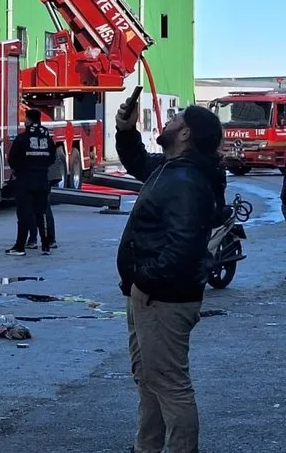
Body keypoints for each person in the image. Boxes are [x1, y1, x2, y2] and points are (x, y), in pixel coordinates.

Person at [115, 101, 225, 453]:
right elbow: (138, 162)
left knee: (169, 383)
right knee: (149, 378)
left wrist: (146, 282)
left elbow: (183, 247)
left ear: (186, 133)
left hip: (162, 298)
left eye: (175, 119)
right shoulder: (172, 167)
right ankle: (145, 447)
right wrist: (126, 130)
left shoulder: (187, 180)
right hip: (149, 295)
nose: (168, 121)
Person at [6, 109, 55, 256]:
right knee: (42, 214)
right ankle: (45, 245)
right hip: (42, 180)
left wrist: (20, 170)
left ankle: (20, 246)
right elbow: (52, 157)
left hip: (25, 181)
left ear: (28, 120)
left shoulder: (22, 139)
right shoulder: (47, 138)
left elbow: (13, 159)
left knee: (24, 214)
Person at [45, 145, 65, 249]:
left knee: (31, 210)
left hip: (35, 177)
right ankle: (51, 240)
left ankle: (33, 240)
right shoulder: (46, 138)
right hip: (47, 176)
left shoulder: (25, 139)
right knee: (46, 208)